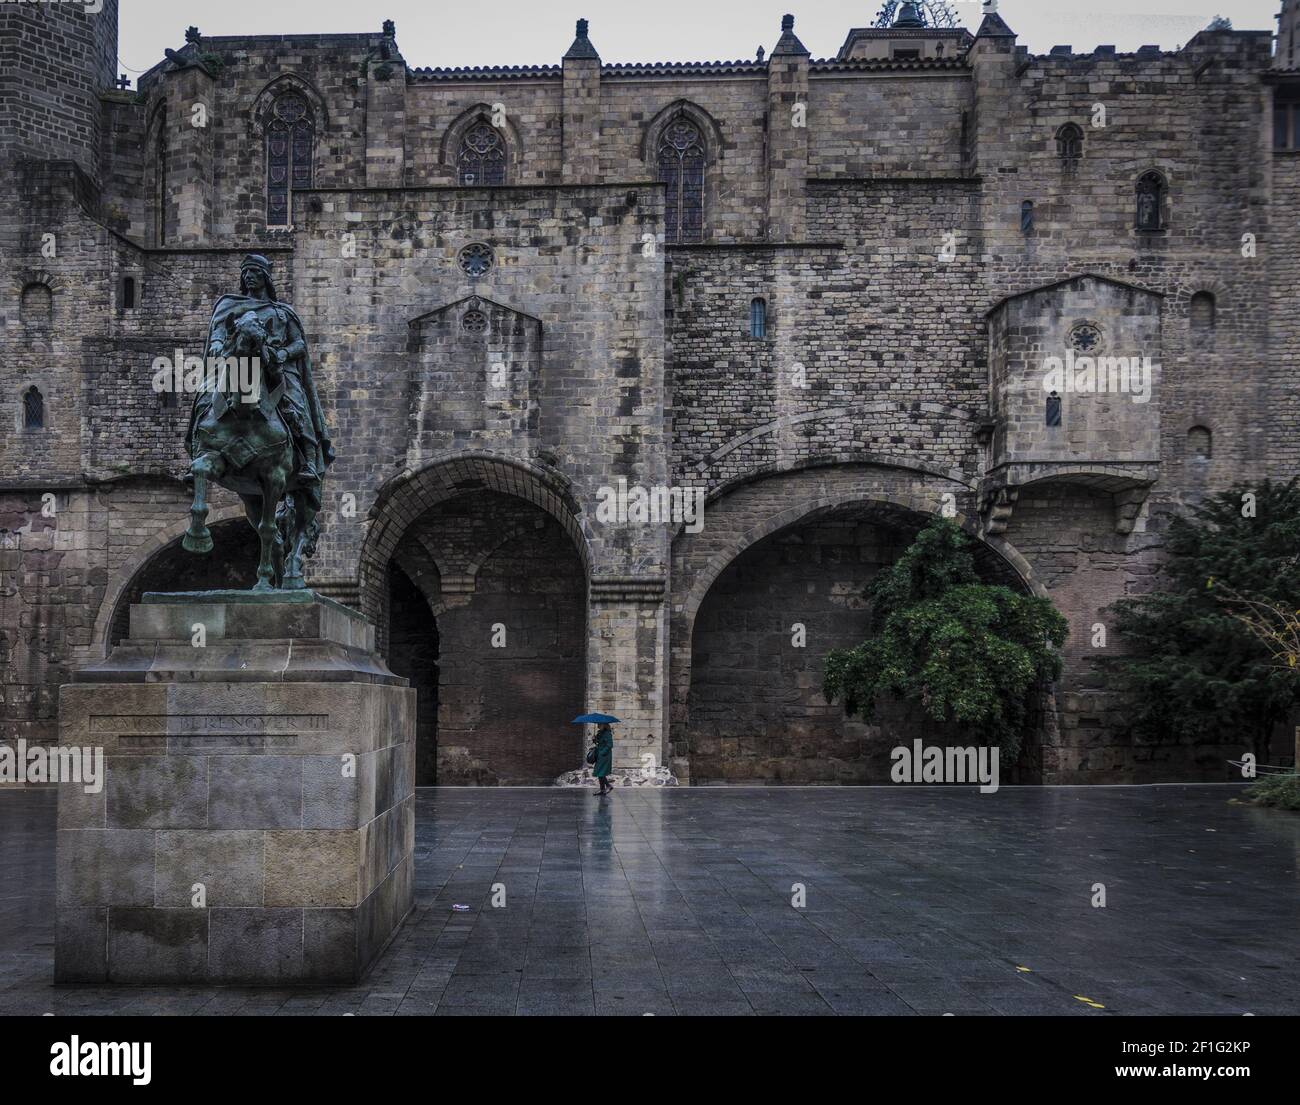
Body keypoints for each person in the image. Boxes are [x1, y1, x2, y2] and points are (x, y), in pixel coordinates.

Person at [592, 722, 614, 796]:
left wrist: (602, 752)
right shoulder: (599, 733)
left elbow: (610, 745)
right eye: (598, 724)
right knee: (599, 772)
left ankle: (607, 786)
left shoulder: (607, 734)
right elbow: (598, 743)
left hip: (605, 755)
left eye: (600, 724)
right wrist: (594, 740)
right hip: (600, 755)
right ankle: (603, 788)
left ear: (604, 725)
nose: (598, 725)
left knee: (600, 772)